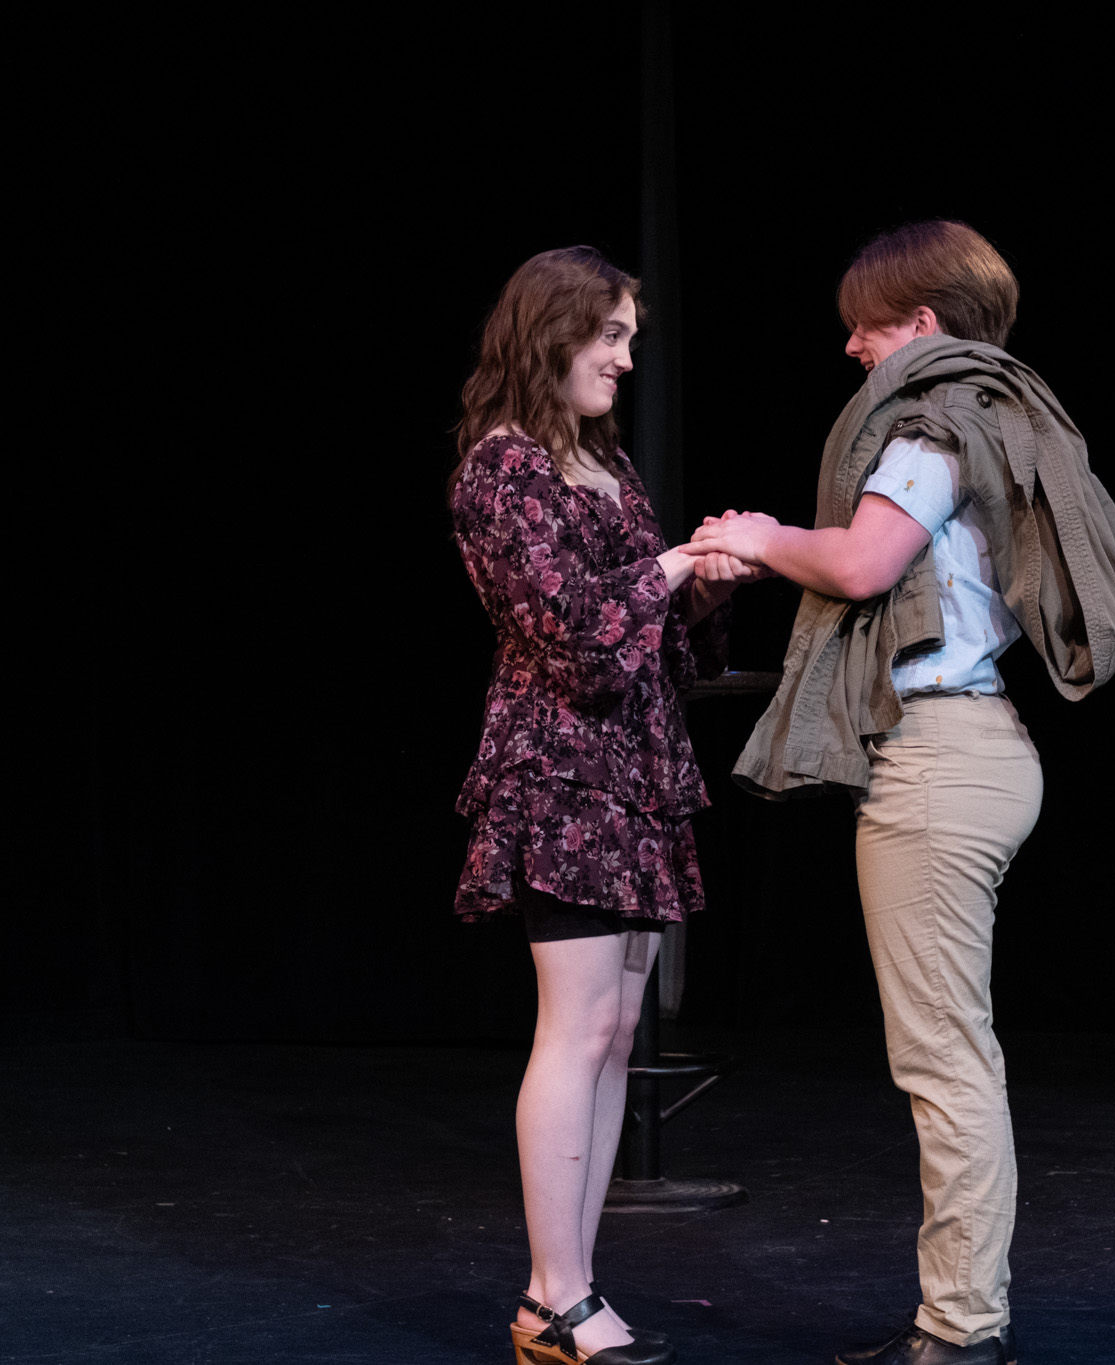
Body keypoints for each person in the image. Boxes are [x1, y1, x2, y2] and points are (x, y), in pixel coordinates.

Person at [685, 221, 1115, 1365]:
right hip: (969, 749)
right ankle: (958, 1320)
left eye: (867, 326)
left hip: (937, 756)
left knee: (943, 1061)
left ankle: (959, 1329)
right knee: (948, 1053)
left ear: (923, 326)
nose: (851, 346)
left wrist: (757, 537)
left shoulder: (933, 421)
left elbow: (860, 564)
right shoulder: (996, 417)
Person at [448, 246, 765, 1365]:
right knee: (576, 1028)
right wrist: (676, 565)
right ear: (555, 332)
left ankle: (566, 1294)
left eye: (630, 337)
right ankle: (556, 1294)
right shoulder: (503, 472)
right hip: (563, 774)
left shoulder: (605, 465)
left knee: (617, 1031)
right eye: (612, 335)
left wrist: (706, 591)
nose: (626, 359)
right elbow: (580, 641)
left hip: (633, 770)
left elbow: (650, 642)